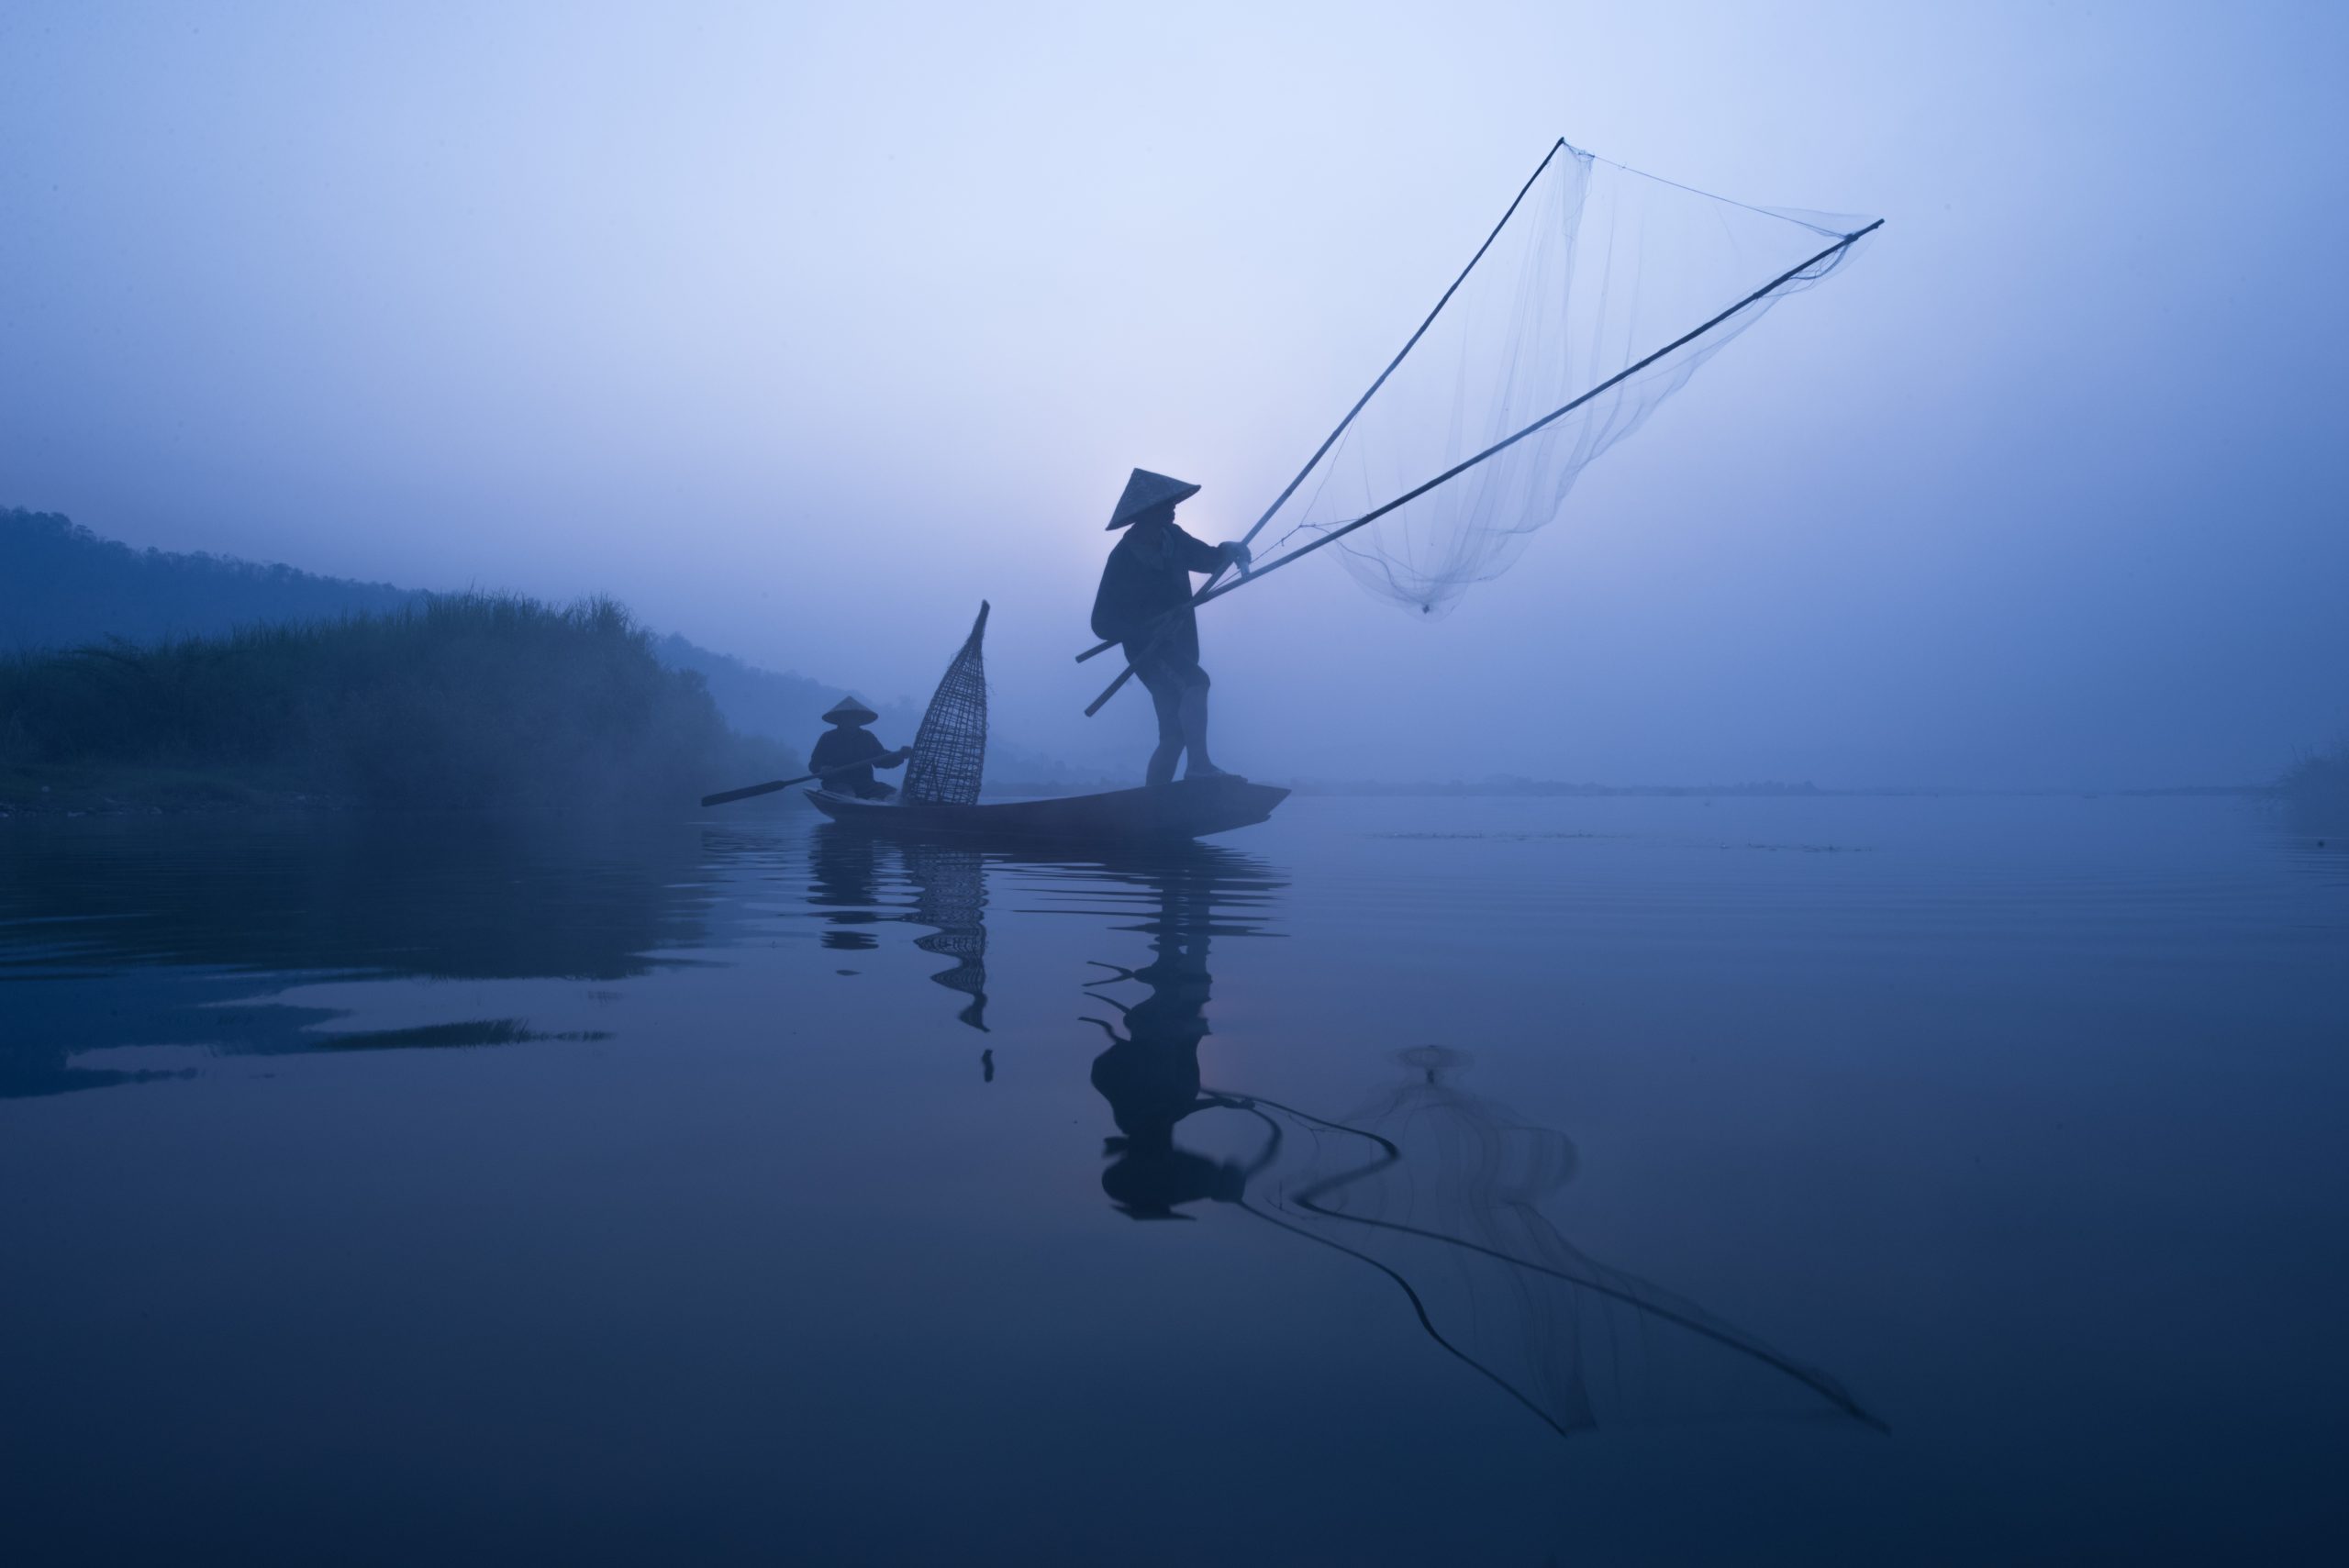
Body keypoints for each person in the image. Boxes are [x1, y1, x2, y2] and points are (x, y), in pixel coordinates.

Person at [1089, 468, 1252, 786]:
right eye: (1166, 505)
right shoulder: (1123, 558)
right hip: (1148, 651)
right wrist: (1141, 630)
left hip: (1181, 647)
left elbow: (1208, 559)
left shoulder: (1173, 539)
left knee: (1174, 733)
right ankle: (1200, 767)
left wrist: (1230, 549)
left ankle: (1153, 802)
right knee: (1197, 682)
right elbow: (1101, 622)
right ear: (1148, 512)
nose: (1173, 509)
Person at [808, 696, 908, 800]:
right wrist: (822, 769)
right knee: (848, 796)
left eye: (855, 719)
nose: (851, 722)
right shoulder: (828, 737)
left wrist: (899, 755)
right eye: (847, 719)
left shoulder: (867, 737)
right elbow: (814, 765)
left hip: (866, 785)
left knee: (897, 796)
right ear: (840, 720)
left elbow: (881, 759)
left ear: (860, 721)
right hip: (837, 785)